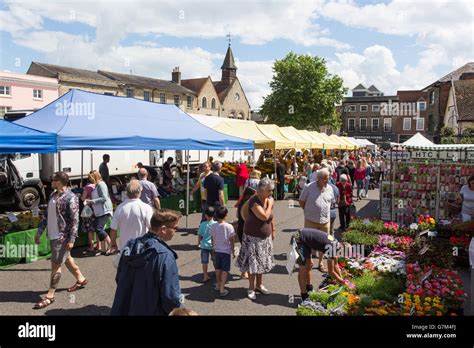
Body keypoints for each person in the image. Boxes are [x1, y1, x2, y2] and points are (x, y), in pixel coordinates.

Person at [111, 209, 183, 315]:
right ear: (163, 229)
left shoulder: (130, 245)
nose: (176, 231)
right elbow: (171, 297)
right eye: (175, 228)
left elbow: (119, 278)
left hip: (124, 307)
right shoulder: (165, 255)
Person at [33, 171, 88, 309]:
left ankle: (50, 295)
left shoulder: (71, 197)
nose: (51, 181)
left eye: (53, 180)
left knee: (56, 265)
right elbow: (46, 216)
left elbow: (75, 221)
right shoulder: (53, 195)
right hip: (52, 235)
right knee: (67, 259)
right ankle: (81, 279)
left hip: (61, 237)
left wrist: (71, 239)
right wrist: (39, 232)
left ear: (58, 182)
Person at [237, 178, 275, 300]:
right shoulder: (254, 201)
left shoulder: (266, 199)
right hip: (252, 238)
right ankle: (251, 288)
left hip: (264, 238)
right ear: (262, 190)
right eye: (269, 191)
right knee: (253, 265)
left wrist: (273, 230)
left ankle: (259, 285)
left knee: (262, 263)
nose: (271, 193)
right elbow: (264, 216)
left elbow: (271, 217)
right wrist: (270, 204)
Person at [293, 228, 348, 301]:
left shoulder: (337, 244)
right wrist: (342, 281)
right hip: (299, 238)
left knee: (310, 264)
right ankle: (304, 295)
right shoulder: (332, 249)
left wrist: (342, 279)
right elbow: (331, 271)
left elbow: (336, 265)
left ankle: (308, 287)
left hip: (304, 237)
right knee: (303, 267)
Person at [299, 168, 334, 272]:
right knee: (308, 242)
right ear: (318, 178)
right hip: (311, 220)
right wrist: (308, 211)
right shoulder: (308, 187)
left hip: (325, 220)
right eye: (325, 179)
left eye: (328, 178)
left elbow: (330, 202)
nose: (327, 181)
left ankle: (320, 262)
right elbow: (301, 201)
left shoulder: (330, 188)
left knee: (324, 242)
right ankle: (308, 261)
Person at [109, 180, 153, 253]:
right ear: (140, 192)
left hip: (125, 249)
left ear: (127, 193)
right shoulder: (146, 207)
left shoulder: (120, 208)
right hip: (142, 248)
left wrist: (113, 245)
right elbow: (151, 228)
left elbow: (113, 230)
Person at [84, 170, 114, 255]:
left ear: (95, 177)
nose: (90, 180)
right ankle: (103, 249)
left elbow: (104, 198)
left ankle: (111, 246)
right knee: (98, 229)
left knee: (99, 229)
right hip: (99, 211)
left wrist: (91, 201)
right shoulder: (97, 185)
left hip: (104, 210)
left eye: (91, 178)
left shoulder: (101, 184)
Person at [210, 206, 236, 297]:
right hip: (226, 251)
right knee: (225, 270)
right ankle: (222, 288)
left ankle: (218, 284)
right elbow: (232, 239)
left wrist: (213, 248)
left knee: (217, 268)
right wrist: (233, 250)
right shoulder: (229, 226)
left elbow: (212, 238)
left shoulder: (213, 226)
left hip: (217, 250)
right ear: (226, 215)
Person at [235, 187, 256, 280]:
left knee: (245, 251)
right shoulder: (248, 204)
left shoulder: (241, 203)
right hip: (245, 230)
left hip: (241, 228)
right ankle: (244, 272)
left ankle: (244, 271)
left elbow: (237, 215)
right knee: (246, 252)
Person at [80, 171, 100, 256]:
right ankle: (98, 245)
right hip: (97, 209)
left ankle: (91, 246)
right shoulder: (99, 186)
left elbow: (83, 198)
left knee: (90, 229)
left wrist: (81, 197)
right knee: (97, 228)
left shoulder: (87, 187)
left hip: (89, 209)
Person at [197, 206, 217, 283]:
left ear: (205, 215)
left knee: (204, 262)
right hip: (213, 246)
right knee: (215, 260)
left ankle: (205, 275)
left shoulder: (202, 224)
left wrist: (198, 242)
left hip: (204, 245)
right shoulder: (215, 224)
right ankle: (216, 271)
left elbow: (199, 234)